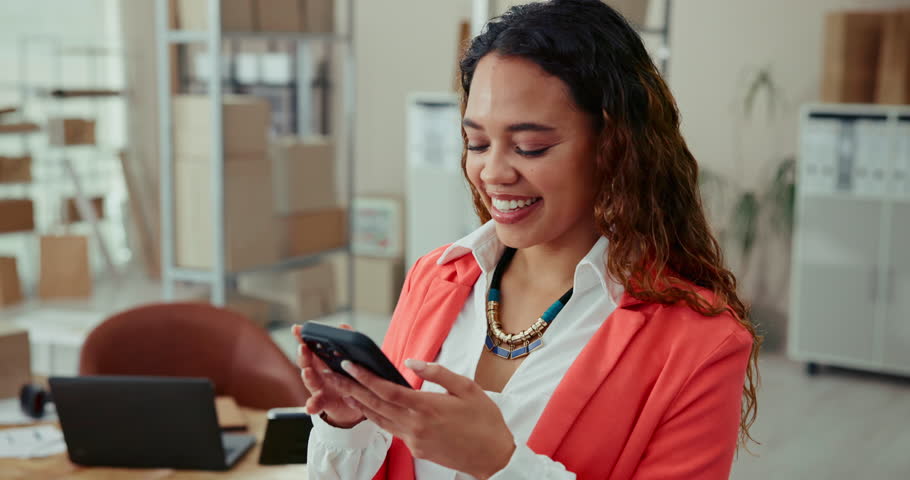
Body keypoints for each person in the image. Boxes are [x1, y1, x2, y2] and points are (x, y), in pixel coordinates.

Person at [292, 1, 760, 478]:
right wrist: (348, 422)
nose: (491, 172)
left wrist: (500, 464)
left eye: (530, 147)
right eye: (476, 143)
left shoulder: (701, 344)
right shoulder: (436, 277)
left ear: (614, 145)